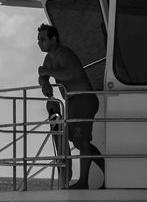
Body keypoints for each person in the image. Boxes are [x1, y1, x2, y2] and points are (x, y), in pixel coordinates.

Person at [37, 24, 105, 190]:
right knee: (77, 140)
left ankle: (83, 182)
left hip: (84, 99)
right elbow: (42, 74)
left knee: (81, 140)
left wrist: (45, 72)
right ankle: (108, 171)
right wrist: (44, 81)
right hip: (73, 102)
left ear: (53, 39)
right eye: (38, 40)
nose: (40, 43)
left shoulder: (64, 54)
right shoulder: (49, 59)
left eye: (43, 39)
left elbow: (70, 74)